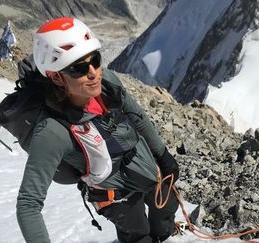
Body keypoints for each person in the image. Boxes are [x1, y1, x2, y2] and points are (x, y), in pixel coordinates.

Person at [16, 17, 180, 243]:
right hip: (115, 196)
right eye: (78, 68)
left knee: (166, 208)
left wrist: (162, 155)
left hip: (145, 168)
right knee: (138, 234)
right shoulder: (52, 131)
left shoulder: (108, 84)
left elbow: (138, 117)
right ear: (57, 78)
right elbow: (28, 204)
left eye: (95, 59)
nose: (93, 72)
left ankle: (164, 236)